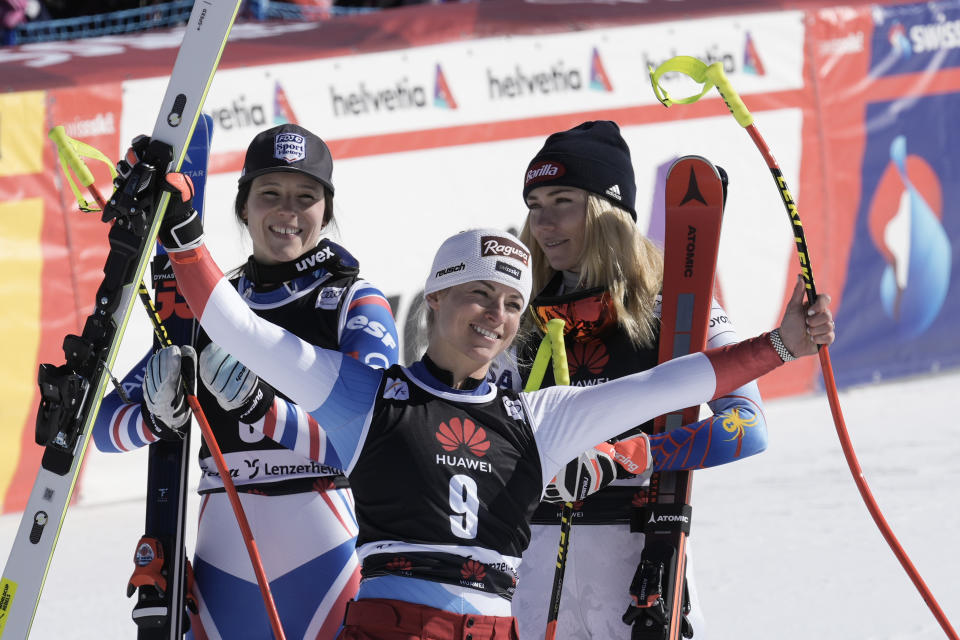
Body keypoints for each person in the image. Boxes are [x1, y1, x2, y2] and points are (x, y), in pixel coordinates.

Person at [150, 151, 834, 639]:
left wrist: (782, 346)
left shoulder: (538, 417)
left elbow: (674, 382)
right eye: (478, 294)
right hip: (394, 625)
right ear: (438, 297)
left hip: (501, 620)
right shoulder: (366, 395)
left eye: (511, 303)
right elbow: (236, 326)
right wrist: (184, 234)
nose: (495, 316)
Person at [92, 124, 400, 639]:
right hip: (224, 553)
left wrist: (267, 410)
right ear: (243, 207)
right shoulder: (204, 303)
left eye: (306, 197)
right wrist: (152, 415)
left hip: (324, 540)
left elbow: (381, 431)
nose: (288, 213)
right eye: (270, 194)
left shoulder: (354, 300)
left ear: (326, 210)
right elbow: (102, 427)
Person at [489, 120, 766, 638]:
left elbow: (747, 426)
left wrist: (626, 456)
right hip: (531, 572)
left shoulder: (673, 309)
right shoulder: (521, 319)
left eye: (563, 201)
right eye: (535, 205)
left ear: (606, 209)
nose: (544, 223)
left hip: (636, 563)